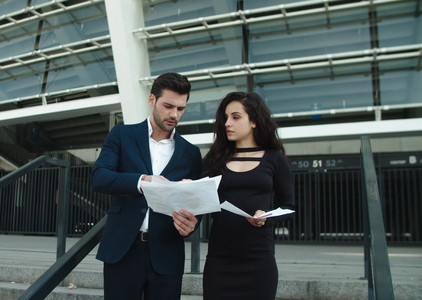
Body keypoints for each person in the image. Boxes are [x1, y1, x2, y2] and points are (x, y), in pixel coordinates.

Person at [90, 72, 203, 300]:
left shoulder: (191, 153)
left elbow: (195, 204)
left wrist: (192, 223)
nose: (174, 114)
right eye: (168, 106)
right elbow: (99, 177)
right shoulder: (121, 135)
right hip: (123, 250)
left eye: (181, 108)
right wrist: (143, 181)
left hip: (167, 251)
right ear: (152, 100)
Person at [201, 91, 296, 299]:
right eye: (225, 118)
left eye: (235, 117)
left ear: (253, 121)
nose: (227, 123)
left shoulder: (274, 158)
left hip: (258, 259)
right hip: (220, 259)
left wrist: (266, 217)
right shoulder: (214, 159)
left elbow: (288, 206)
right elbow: (199, 198)